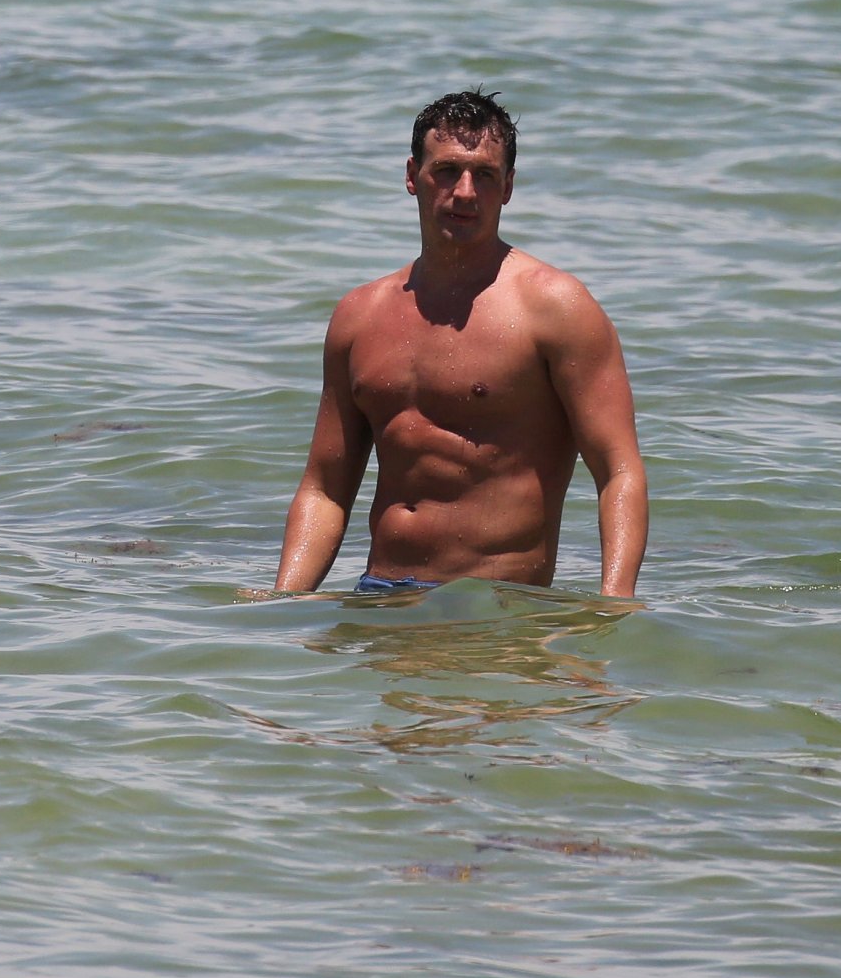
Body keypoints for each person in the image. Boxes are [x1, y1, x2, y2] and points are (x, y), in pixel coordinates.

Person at [274, 90, 647, 598]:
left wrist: (615, 605)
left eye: (485, 174)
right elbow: (324, 490)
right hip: (379, 598)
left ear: (508, 187)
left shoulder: (555, 307)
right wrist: (281, 603)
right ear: (413, 176)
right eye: (447, 170)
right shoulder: (358, 315)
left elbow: (619, 471)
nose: (465, 192)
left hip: (495, 607)